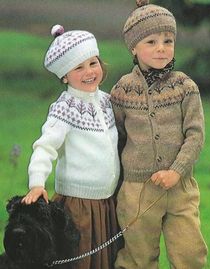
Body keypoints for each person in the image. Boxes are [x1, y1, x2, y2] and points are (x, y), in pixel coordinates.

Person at [110, 1, 208, 268]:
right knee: (137, 258)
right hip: (137, 191)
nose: (161, 48)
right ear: (134, 47)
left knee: (190, 254)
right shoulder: (122, 90)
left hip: (180, 187)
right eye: (151, 41)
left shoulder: (185, 87)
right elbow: (115, 137)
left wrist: (176, 170)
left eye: (168, 40)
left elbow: (195, 134)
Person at [22, 24, 120, 269]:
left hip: (107, 201)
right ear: (64, 75)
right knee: (82, 256)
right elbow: (45, 147)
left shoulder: (108, 101)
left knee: (106, 258)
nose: (89, 72)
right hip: (80, 204)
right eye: (79, 67)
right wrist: (36, 182)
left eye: (93, 63)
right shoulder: (64, 108)